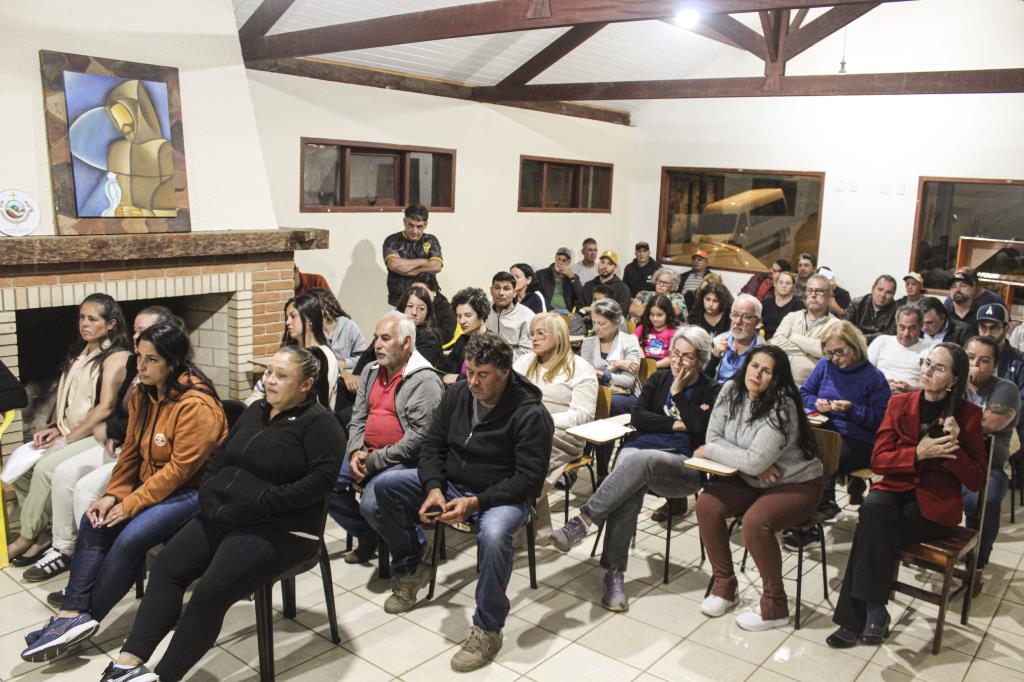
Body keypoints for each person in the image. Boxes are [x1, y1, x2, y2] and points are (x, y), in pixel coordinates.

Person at [97, 345, 346, 682]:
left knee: (210, 593)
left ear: (306, 385)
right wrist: (209, 493)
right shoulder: (256, 410)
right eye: (270, 373)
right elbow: (221, 456)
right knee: (167, 568)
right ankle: (128, 664)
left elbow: (318, 484)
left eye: (282, 376)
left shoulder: (321, 425)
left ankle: (165, 677)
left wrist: (261, 503)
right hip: (227, 515)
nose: (270, 381)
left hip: (282, 529)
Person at [20, 323, 227, 663]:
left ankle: (87, 618)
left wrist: (130, 504)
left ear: (172, 362)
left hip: (194, 492)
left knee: (130, 536)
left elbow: (179, 472)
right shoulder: (144, 393)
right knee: (94, 519)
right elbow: (130, 450)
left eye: (151, 360)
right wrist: (113, 495)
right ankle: (71, 615)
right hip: (154, 484)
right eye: (139, 358)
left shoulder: (196, 405)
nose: (141, 367)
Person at [366, 332, 554, 672]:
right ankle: (412, 568)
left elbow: (529, 481)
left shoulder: (531, 414)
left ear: (504, 373)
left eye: (483, 374)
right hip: (454, 484)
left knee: (495, 536)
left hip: (503, 495)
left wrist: (477, 502)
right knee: (387, 485)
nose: (473, 381)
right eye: (469, 372)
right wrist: (434, 487)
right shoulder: (457, 395)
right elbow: (432, 445)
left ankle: (488, 628)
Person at [827, 343, 986, 649]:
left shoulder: (968, 416)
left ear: (954, 378)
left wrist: (957, 447)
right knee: (874, 508)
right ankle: (873, 610)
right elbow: (879, 460)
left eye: (939, 368)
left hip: (934, 508)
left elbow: (977, 480)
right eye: (927, 363)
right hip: (895, 492)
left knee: (871, 527)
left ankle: (859, 617)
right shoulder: (900, 404)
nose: (927, 371)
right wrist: (917, 453)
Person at [551, 326, 721, 610]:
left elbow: (703, 429)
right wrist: (678, 423)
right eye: (675, 354)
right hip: (641, 450)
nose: (678, 362)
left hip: (682, 465)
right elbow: (639, 417)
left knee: (635, 461)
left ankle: (584, 522)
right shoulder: (658, 378)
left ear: (701, 360)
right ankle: (614, 575)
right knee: (633, 474)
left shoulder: (711, 389)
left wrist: (678, 394)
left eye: (687, 357)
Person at [29, 307, 184, 587]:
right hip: (122, 445)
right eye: (135, 331)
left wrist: (117, 436)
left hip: (144, 455)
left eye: (144, 332)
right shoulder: (134, 366)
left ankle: (97, 567)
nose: (136, 337)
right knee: (64, 473)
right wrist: (112, 432)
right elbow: (123, 414)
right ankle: (64, 550)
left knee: (86, 489)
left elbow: (154, 432)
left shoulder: (177, 386)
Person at [695, 345, 823, 630]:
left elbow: (716, 448)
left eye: (767, 371)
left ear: (776, 378)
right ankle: (724, 586)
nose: (758, 374)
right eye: (754, 366)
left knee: (756, 523)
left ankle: (775, 605)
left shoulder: (782, 404)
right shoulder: (730, 389)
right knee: (706, 505)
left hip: (797, 482)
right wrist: (751, 459)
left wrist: (728, 454)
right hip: (752, 479)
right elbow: (713, 436)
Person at [4, 294, 132, 568]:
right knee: (19, 468)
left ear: (111, 324)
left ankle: (27, 537)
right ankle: (42, 531)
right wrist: (53, 428)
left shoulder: (116, 357)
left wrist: (68, 439)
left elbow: (106, 406)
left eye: (92, 319)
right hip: (67, 431)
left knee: (45, 468)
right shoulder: (80, 351)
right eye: (81, 318)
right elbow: (66, 395)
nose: (84, 324)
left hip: (92, 435)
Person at [330, 312, 444, 564]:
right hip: (366, 452)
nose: (377, 345)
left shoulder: (424, 380)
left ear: (407, 343)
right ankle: (367, 535)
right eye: (375, 338)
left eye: (385, 338)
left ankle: (415, 549)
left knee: (372, 505)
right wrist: (356, 450)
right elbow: (357, 417)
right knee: (324, 482)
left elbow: (419, 439)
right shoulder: (372, 371)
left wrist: (373, 460)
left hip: (403, 461)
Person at [786, 322, 890, 548]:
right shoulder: (825, 366)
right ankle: (808, 509)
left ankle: (813, 518)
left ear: (854, 347)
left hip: (858, 439)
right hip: (825, 430)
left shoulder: (874, 377)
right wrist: (818, 404)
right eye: (829, 352)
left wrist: (852, 409)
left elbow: (882, 419)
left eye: (839, 352)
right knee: (799, 452)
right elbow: (804, 394)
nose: (834, 358)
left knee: (819, 458)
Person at [513, 313, 597, 534]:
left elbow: (584, 415)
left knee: (525, 455)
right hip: (524, 428)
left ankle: (512, 511)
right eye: (533, 334)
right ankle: (523, 518)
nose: (534, 339)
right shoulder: (525, 361)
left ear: (559, 336)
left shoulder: (580, 367)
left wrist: (543, 421)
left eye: (541, 333)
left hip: (565, 434)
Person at [961, 336, 1019, 569]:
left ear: (995, 365)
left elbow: (991, 423)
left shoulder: (1006, 389)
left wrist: (951, 412)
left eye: (984, 360)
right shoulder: (953, 381)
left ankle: (979, 558)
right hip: (947, 458)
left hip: (987, 465)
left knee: (985, 500)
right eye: (970, 357)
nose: (976, 365)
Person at [579, 300, 642, 479]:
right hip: (596, 393)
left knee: (606, 408)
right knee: (589, 405)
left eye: (602, 323)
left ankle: (601, 471)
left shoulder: (629, 341)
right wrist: (615, 365)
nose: (597, 328)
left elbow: (628, 382)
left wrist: (605, 374)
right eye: (594, 322)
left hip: (625, 397)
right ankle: (581, 460)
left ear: (615, 322)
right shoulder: (589, 342)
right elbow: (587, 374)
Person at [249, 294, 338, 408]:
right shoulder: (287, 352)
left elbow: (321, 399)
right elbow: (259, 390)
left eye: (293, 316)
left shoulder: (325, 356)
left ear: (309, 319)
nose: (287, 322)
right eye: (287, 317)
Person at [769, 273, 840, 385]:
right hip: (779, 382)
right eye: (810, 290)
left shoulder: (836, 325)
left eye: (819, 291)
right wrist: (813, 349)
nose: (813, 295)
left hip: (811, 387)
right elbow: (776, 344)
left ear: (829, 294)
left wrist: (793, 337)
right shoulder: (792, 317)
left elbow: (826, 353)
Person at [383, 204, 443, 307]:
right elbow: (394, 265)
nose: (414, 231)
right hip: (399, 301)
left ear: (426, 225)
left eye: (419, 226)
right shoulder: (392, 240)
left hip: (427, 301)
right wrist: (424, 261)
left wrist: (410, 270)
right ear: (404, 222)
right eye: (410, 225)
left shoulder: (431, 240)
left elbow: (436, 266)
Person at [867, 305, 936, 394]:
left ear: (921, 326)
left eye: (912, 328)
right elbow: (864, 373)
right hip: (878, 393)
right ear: (896, 325)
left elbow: (934, 383)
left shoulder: (931, 349)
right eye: (902, 328)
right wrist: (882, 384)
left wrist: (912, 389)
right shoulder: (882, 341)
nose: (906, 333)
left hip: (911, 397)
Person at [307, 288, 367, 387]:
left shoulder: (348, 326)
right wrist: (339, 371)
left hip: (347, 385)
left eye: (312, 308)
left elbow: (363, 358)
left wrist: (345, 363)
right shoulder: (310, 330)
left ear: (325, 307)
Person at [710, 294, 765, 384]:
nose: (738, 321)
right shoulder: (717, 342)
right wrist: (714, 357)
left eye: (746, 316)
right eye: (735, 315)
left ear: (758, 322)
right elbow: (704, 381)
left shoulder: (764, 352)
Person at [443, 287, 491, 385]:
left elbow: (489, 378)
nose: (462, 321)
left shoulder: (492, 343)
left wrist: (458, 378)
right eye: (459, 316)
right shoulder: (462, 340)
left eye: (468, 315)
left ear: (481, 314)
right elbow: (447, 368)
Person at [485, 271, 535, 359]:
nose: (501, 293)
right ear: (491, 291)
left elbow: (528, 352)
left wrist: (498, 357)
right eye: (497, 288)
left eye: (506, 288)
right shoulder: (484, 310)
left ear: (515, 293)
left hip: (513, 366)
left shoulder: (527, 317)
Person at [397, 286, 443, 367]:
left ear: (427, 312)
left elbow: (417, 369)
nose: (414, 312)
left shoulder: (429, 339)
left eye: (421, 309)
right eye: (410, 306)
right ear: (402, 307)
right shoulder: (391, 329)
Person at [845, 275, 899, 343]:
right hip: (855, 345)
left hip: (881, 348)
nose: (882, 295)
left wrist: (862, 338)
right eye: (880, 289)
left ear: (893, 294)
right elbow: (844, 328)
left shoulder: (898, 311)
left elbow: (890, 335)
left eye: (888, 292)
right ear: (872, 289)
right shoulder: (856, 304)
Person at [634, 294, 681, 369]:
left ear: (668, 314)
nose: (655, 318)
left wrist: (653, 366)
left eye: (659, 315)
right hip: (644, 364)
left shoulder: (673, 332)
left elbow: (672, 357)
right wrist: (639, 349)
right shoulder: (643, 327)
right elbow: (631, 340)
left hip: (663, 366)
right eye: (652, 314)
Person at [580, 250, 631, 315]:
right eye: (602, 262)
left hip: (610, 324)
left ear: (615, 267)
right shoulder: (588, 286)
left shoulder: (623, 289)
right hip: (586, 323)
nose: (605, 266)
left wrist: (594, 310)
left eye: (609, 264)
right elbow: (580, 310)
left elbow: (620, 313)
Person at [534, 247, 584, 314]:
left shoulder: (571, 277)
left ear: (568, 262)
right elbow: (536, 296)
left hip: (565, 313)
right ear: (555, 258)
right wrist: (549, 310)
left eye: (564, 260)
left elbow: (580, 297)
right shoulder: (541, 274)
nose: (560, 263)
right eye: (558, 259)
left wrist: (572, 277)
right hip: (547, 312)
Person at [411, 273, 457, 345]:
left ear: (434, 292)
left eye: (422, 291)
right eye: (413, 291)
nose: (417, 295)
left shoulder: (446, 309)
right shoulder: (407, 305)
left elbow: (446, 335)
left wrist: (420, 333)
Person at [761, 271, 804, 339]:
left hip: (783, 342)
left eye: (788, 283)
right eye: (781, 282)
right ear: (775, 284)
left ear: (793, 286)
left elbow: (797, 332)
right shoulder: (767, 302)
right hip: (763, 340)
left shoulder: (798, 305)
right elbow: (760, 324)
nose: (784, 286)